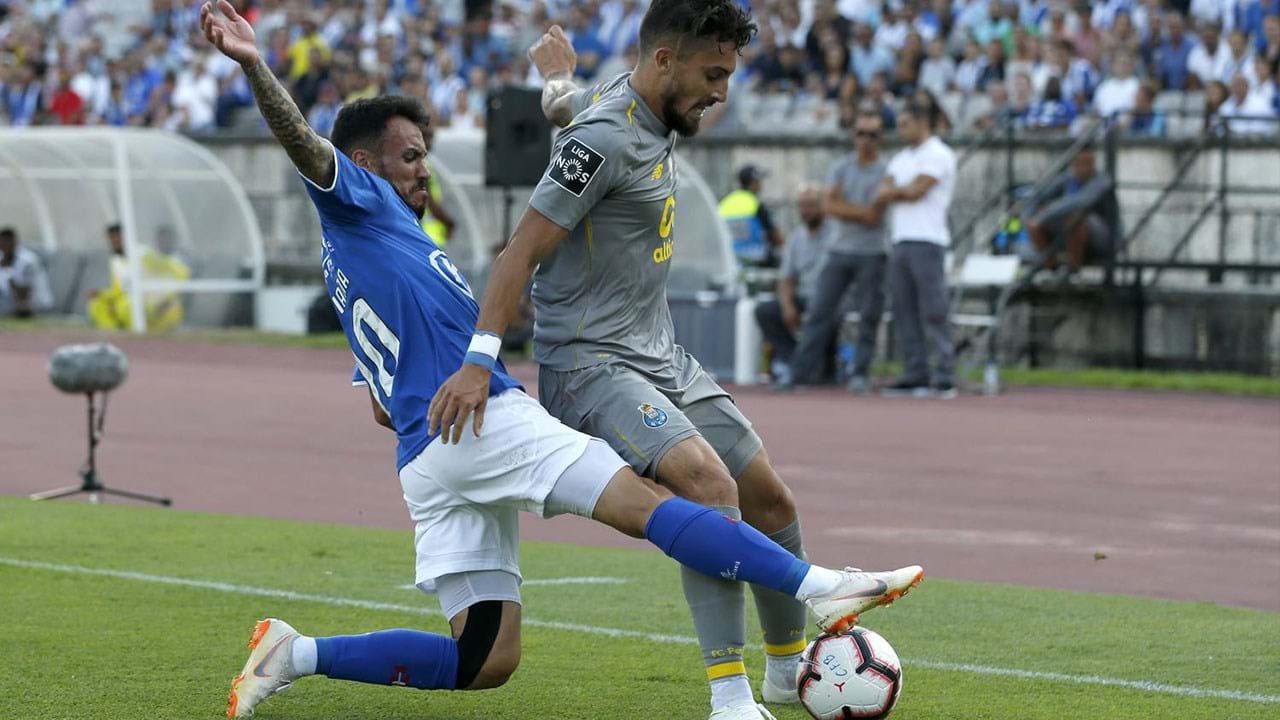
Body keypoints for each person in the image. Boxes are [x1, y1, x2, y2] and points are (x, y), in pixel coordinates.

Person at [198, 4, 922, 720]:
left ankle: (291, 653)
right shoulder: (358, 203)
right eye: (410, 157)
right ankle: (815, 587)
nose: (425, 172)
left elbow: (381, 401)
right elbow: (305, 146)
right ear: (363, 166)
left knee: (484, 660)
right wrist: (257, 65)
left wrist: (557, 89)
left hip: (428, 454)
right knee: (657, 504)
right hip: (480, 420)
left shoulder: (371, 252)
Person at [429, 4, 921, 719]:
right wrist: (480, 361)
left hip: (661, 354)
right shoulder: (604, 135)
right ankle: (729, 699)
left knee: (772, 499)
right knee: (707, 486)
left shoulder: (638, 111)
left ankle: (786, 675)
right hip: (592, 363)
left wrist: (558, 81)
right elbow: (520, 249)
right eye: (712, 73)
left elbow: (575, 113)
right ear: (664, 61)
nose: (721, 92)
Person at [789, 111, 888, 393]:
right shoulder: (841, 167)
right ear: (853, 135)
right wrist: (859, 209)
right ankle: (799, 373)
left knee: (869, 315)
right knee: (819, 312)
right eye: (860, 133)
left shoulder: (886, 170)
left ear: (880, 138)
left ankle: (860, 373)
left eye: (872, 135)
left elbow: (874, 217)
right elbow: (831, 207)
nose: (865, 140)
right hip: (839, 250)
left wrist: (845, 206)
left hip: (872, 252)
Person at [875, 102, 957, 398]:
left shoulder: (939, 153)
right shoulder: (900, 158)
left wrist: (897, 191)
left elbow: (916, 191)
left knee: (934, 310)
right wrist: (900, 191)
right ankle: (916, 372)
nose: (900, 129)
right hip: (901, 239)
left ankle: (944, 372)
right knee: (904, 310)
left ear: (923, 123)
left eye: (905, 123)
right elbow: (886, 191)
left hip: (928, 239)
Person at [753, 185, 831, 388]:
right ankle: (793, 361)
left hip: (831, 298)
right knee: (766, 311)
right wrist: (787, 307)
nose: (806, 211)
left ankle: (816, 367)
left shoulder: (837, 234)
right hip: (804, 296)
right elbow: (786, 279)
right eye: (802, 206)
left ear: (823, 206)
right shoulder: (797, 238)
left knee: (825, 312)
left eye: (812, 206)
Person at [1025, 147, 1121, 274]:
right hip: (1069, 236)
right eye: (1078, 164)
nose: (1082, 168)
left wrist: (1043, 216)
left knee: (1074, 218)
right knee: (1034, 223)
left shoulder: (1103, 181)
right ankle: (1051, 269)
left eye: (1087, 163)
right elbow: (1037, 197)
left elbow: (1078, 202)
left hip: (1104, 239)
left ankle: (1073, 271)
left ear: (1093, 164)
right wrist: (1032, 216)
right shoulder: (1067, 179)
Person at [87, 224, 190, 332]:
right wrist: (102, 294)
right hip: (132, 304)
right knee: (97, 304)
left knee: (127, 306)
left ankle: (134, 340)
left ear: (127, 238)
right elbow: (119, 291)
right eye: (111, 240)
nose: (114, 243)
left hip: (158, 307)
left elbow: (181, 272)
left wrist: (167, 299)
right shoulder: (115, 262)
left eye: (117, 239)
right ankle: (115, 337)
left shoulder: (144, 255)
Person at [720, 164, 783, 267]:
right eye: (759, 181)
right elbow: (776, 237)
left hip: (730, 262)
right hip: (755, 262)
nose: (761, 184)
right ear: (753, 182)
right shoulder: (755, 204)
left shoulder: (725, 202)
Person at [0, 227, 53, 318]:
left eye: (5, 243)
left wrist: (7, 271)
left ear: (13, 243)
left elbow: (24, 295)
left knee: (22, 307)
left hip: (37, 304)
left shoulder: (28, 261)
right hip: (14, 303)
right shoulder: (3, 259)